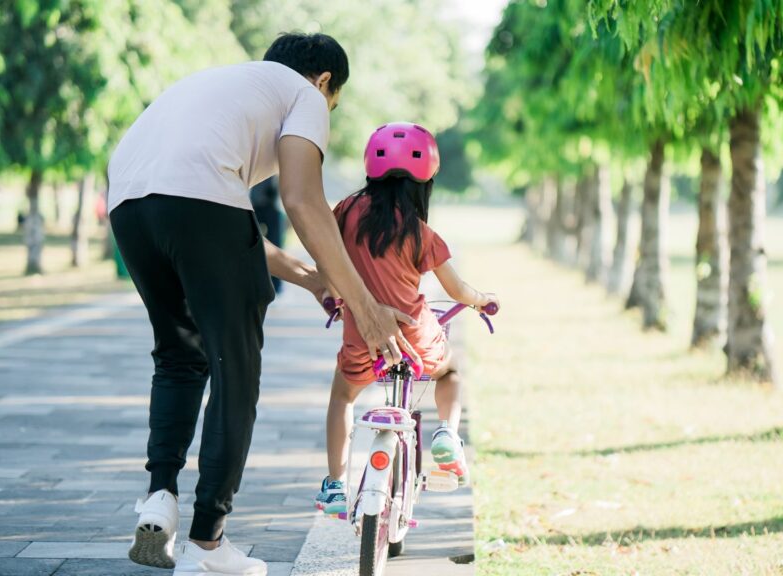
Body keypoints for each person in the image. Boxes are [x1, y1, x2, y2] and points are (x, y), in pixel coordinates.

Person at [108, 34, 419, 576]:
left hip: (129, 206)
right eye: (334, 104)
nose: (327, 114)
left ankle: (159, 496)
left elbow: (228, 227)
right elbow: (302, 199)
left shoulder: (223, 86)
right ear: (324, 81)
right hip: (193, 205)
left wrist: (312, 278)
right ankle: (207, 546)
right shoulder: (303, 94)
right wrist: (365, 306)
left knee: (180, 355)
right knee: (236, 370)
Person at [314, 123, 498, 514]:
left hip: (362, 338)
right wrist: (482, 301)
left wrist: (333, 294)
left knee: (342, 396)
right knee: (449, 372)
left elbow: (324, 254)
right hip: (416, 337)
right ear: (426, 179)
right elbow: (456, 290)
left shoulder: (345, 212)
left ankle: (334, 484)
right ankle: (447, 433)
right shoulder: (420, 232)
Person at [249, 176, 286, 294]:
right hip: (253, 204)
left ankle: (276, 285)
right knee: (250, 242)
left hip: (271, 204)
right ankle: (253, 282)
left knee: (275, 245)